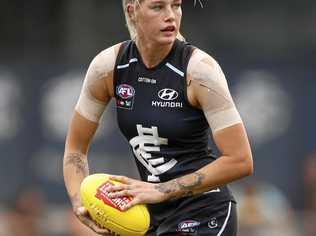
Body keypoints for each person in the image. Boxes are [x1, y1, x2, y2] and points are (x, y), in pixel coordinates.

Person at [63, 0, 253, 235]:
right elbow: (75, 149)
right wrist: (81, 204)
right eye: (158, 7)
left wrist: (162, 190)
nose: (171, 16)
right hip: (152, 216)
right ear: (132, 10)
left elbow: (241, 160)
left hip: (205, 212)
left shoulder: (200, 70)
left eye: (176, 5)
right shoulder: (108, 67)